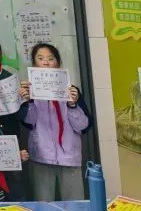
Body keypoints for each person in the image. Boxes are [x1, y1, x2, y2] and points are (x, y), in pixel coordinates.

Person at [20, 42, 92, 201]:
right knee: (44, 204)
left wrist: (72, 104)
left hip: (69, 158)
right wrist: (28, 101)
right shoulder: (29, 92)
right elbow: (28, 123)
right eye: (40, 58)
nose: (46, 62)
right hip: (41, 157)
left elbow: (83, 126)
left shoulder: (71, 90)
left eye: (51, 58)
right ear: (34, 64)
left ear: (58, 63)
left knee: (75, 204)